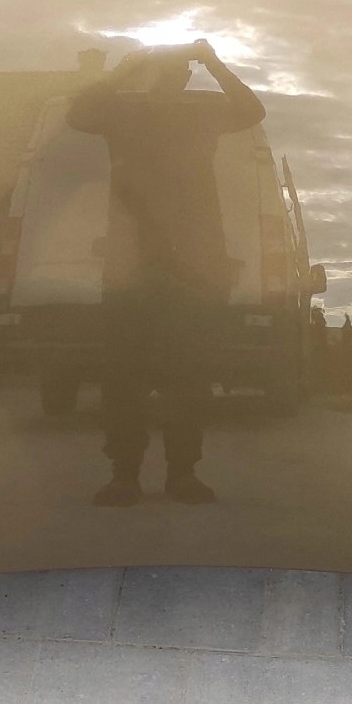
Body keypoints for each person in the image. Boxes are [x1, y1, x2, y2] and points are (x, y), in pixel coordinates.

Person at [66, 40, 266, 505]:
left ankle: (180, 474)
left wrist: (213, 62)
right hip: (134, 268)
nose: (167, 78)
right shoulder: (122, 111)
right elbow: (78, 114)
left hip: (189, 269)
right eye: (159, 69)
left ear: (185, 77)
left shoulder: (200, 113)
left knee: (187, 379)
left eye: (174, 70)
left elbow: (252, 111)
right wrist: (125, 70)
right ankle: (125, 475)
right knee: (124, 379)